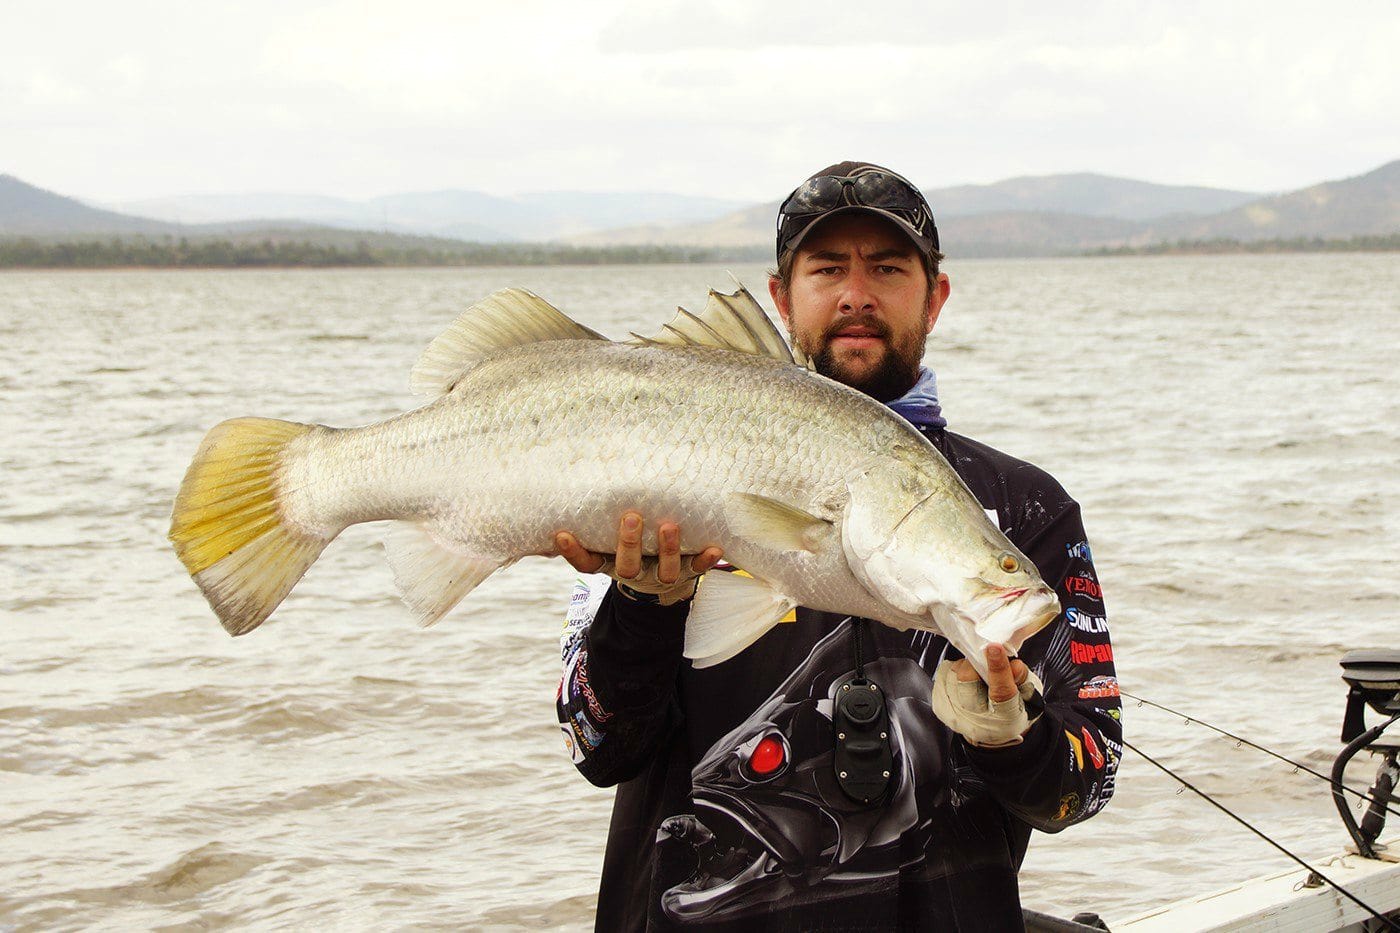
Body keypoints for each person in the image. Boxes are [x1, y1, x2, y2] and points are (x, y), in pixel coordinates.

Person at [553, 161, 1120, 932]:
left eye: (888, 268)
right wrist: (644, 607)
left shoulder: (1026, 510)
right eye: (827, 268)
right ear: (782, 297)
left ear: (936, 296)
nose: (857, 293)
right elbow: (596, 744)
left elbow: (1086, 783)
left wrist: (1013, 733)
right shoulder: (660, 464)